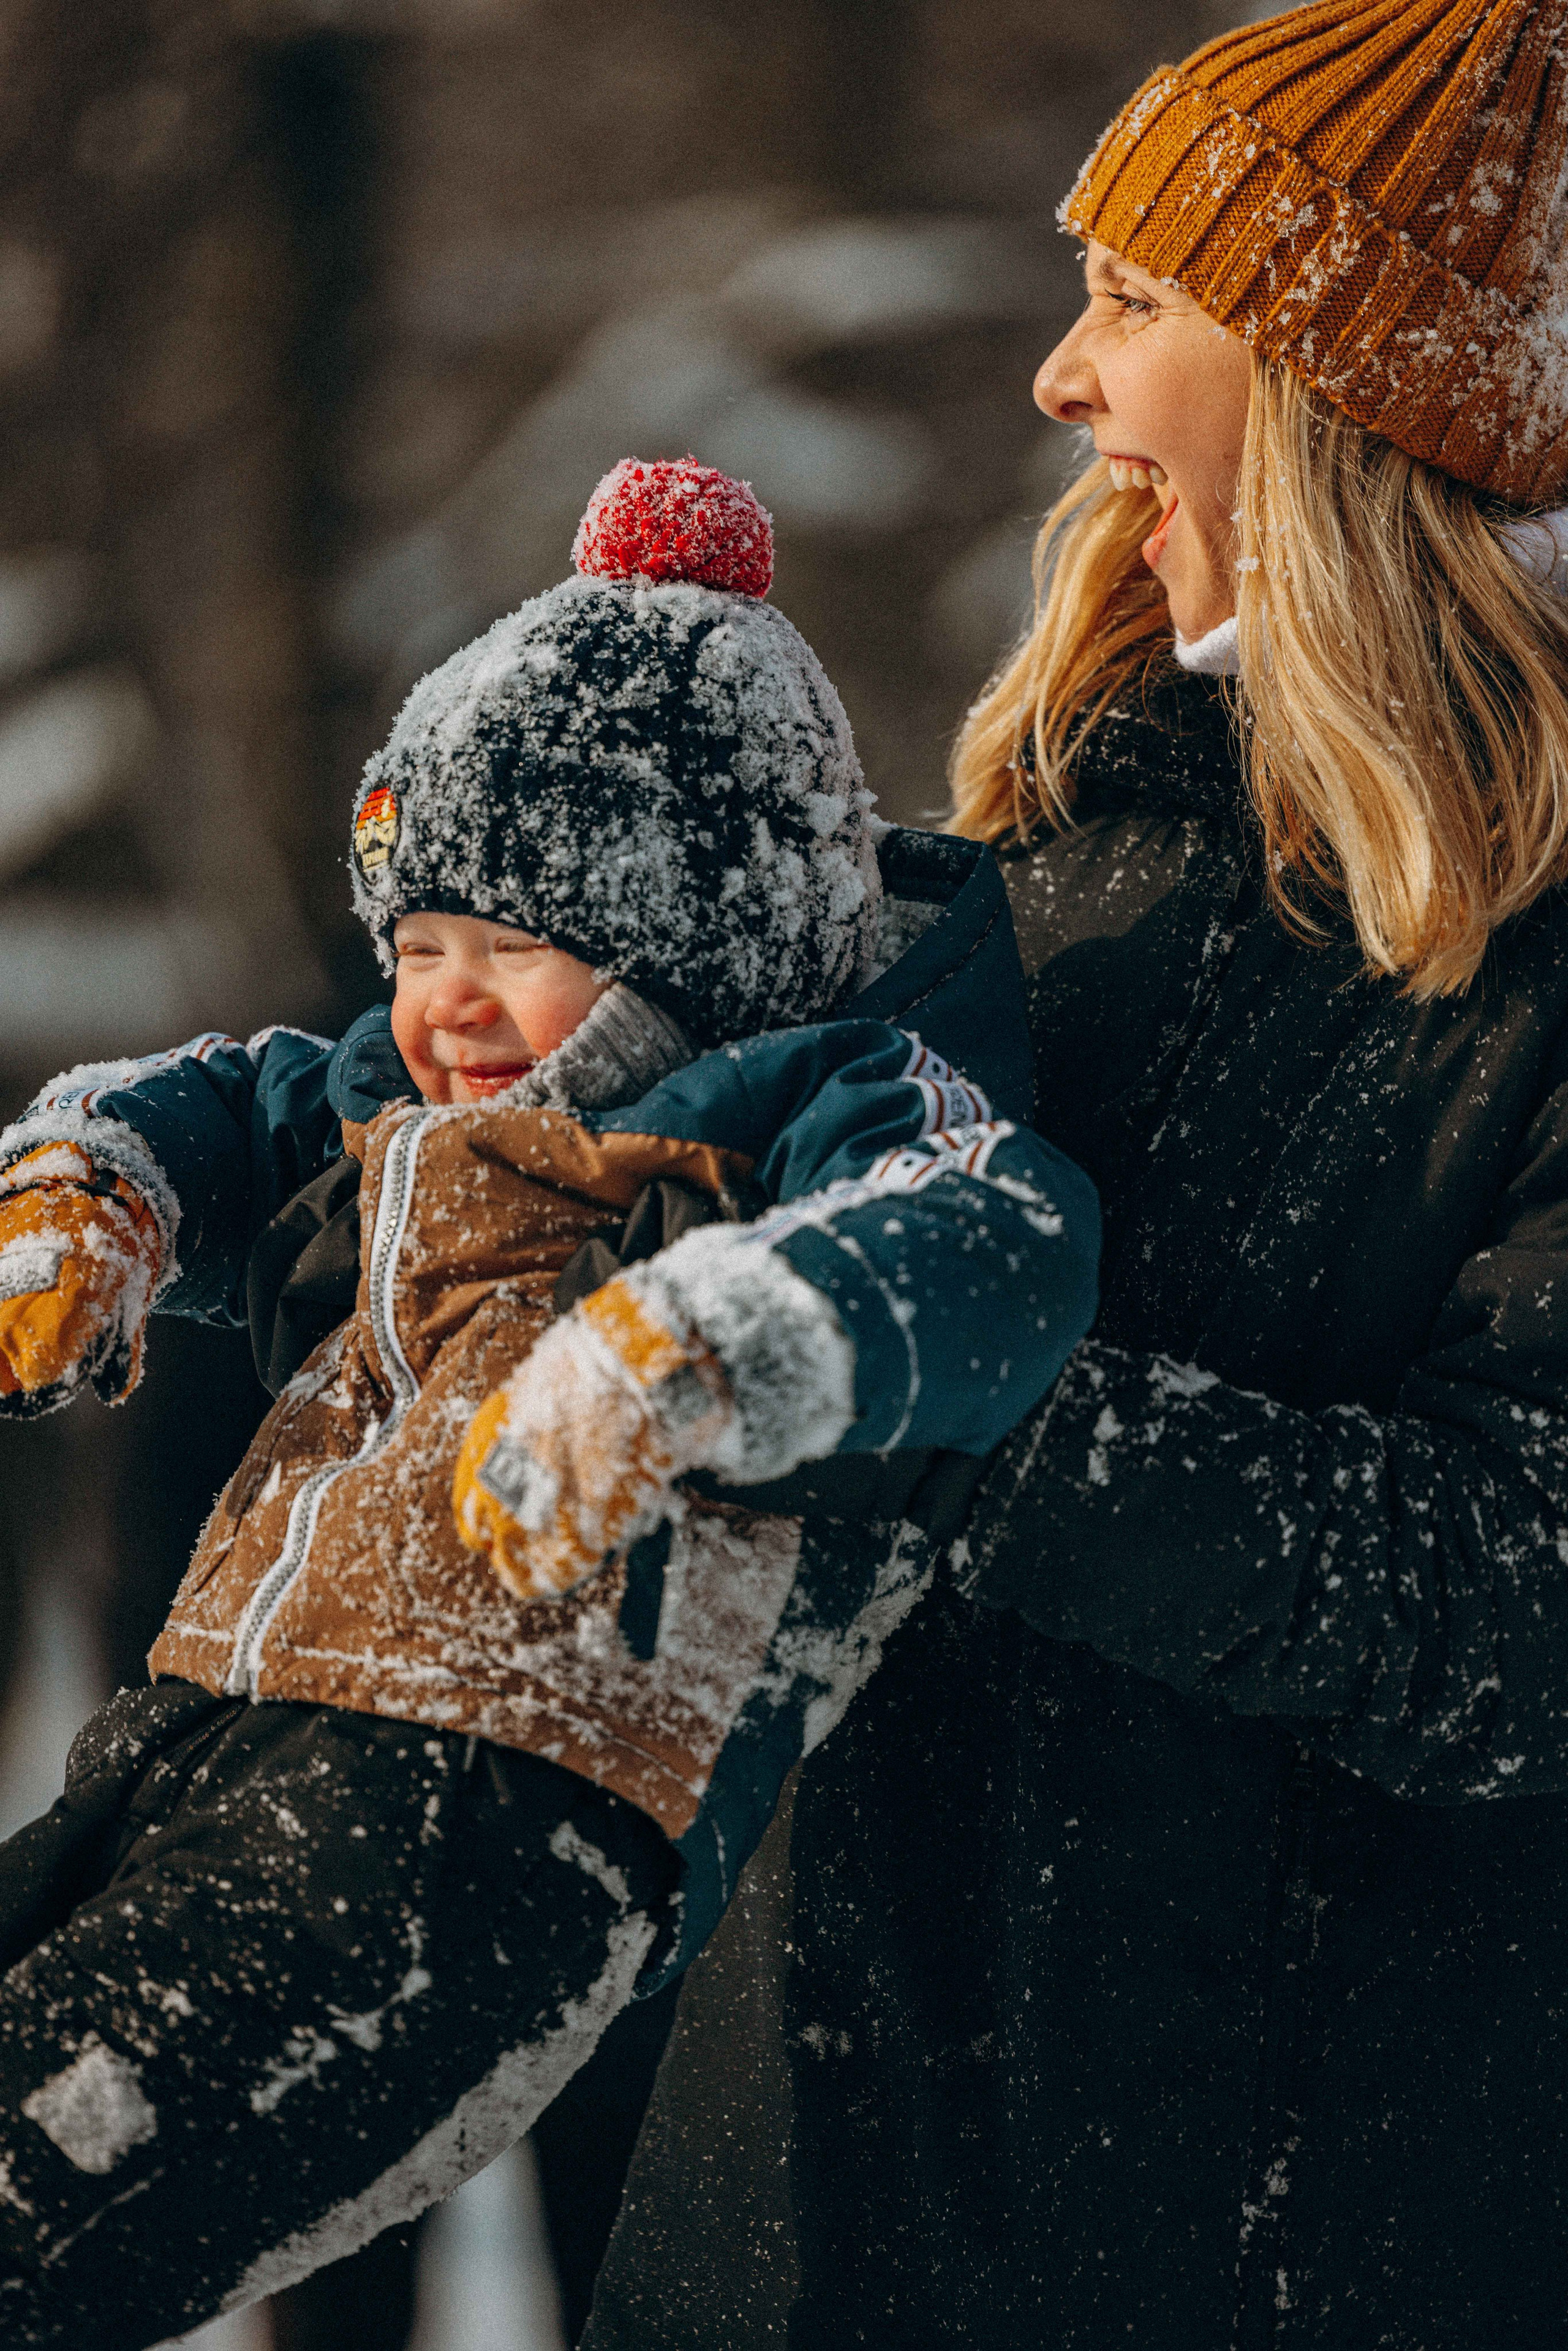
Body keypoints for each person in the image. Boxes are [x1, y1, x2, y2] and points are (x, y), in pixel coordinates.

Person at [568, 3, 1568, 2345]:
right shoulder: (1043, 879)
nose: (1059, 379)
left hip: (1289, 2227)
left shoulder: (1537, 965)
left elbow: (1522, 1595)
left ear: (1348, 402)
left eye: (1135, 303)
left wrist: (919, 1385)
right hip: (808, 2179)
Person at [0, 458, 1098, 2348]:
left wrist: (706, 1338)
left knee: (75, 2166)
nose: (446, 1003)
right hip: (235, 1714)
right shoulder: (392, 1104)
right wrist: (91, 1192)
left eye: (514, 944)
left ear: (697, 941)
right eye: (418, 944)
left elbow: (993, 1239)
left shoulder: (811, 1114)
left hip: (503, 1787)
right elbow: (225, 1095)